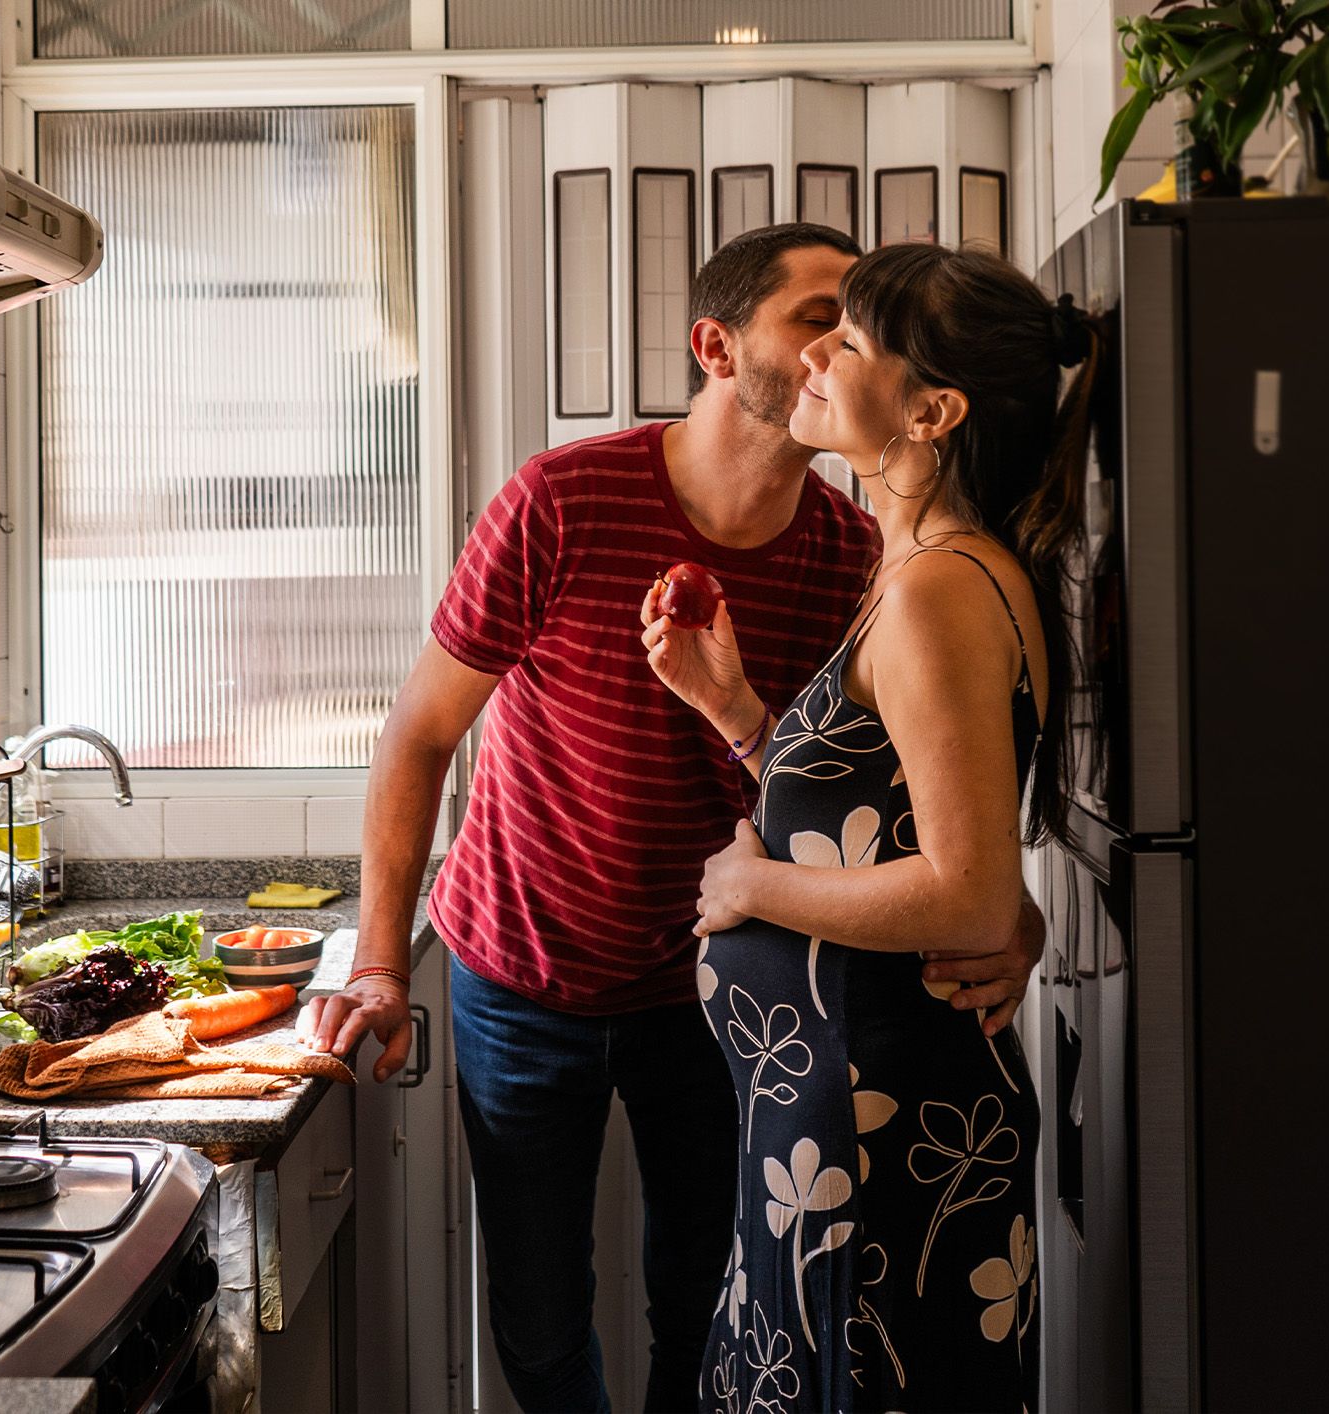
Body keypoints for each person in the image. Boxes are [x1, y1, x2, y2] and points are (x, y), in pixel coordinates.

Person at [300, 224, 1047, 1414]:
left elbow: (881, 804)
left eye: (851, 331)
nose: (826, 354)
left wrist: (1008, 910)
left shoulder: (861, 558)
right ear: (715, 344)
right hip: (520, 975)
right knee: (540, 1325)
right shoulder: (559, 500)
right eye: (818, 319)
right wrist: (381, 964)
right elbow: (420, 737)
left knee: (711, 1310)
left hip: (716, 1010)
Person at [640, 241, 1096, 1412]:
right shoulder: (913, 567)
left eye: (847, 341)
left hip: (880, 1138)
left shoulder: (942, 585)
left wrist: (748, 891)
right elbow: (874, 821)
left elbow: (966, 896)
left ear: (930, 409)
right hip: (837, 1124)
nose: (815, 357)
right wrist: (738, 714)